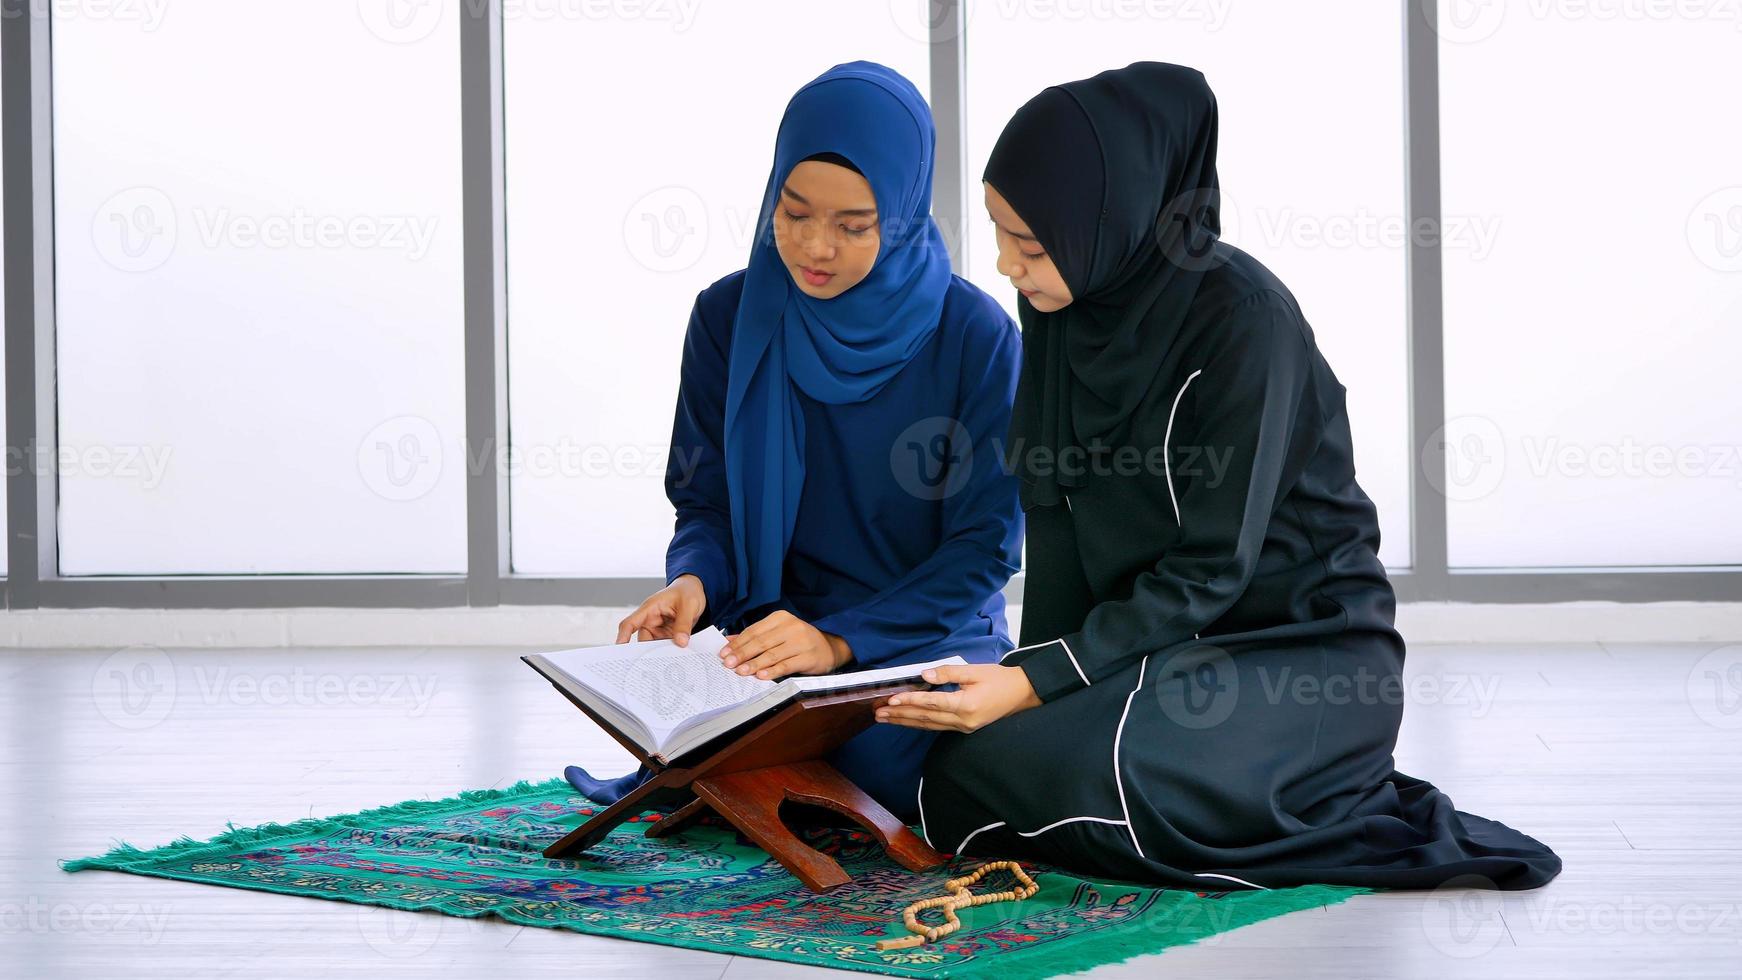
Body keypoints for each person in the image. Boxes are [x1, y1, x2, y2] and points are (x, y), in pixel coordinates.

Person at [877, 62, 1562, 890]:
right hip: (1151, 656)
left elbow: (1212, 570)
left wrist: (1039, 685)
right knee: (953, 768)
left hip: (1299, 653)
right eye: (999, 232)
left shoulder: (1246, 324)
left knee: (1116, 778)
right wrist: (1032, 683)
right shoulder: (1065, 301)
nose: (1004, 266)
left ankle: (1301, 776)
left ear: (1112, 218)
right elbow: (1050, 512)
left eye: (1028, 243)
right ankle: (1121, 771)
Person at [562, 61, 1023, 822]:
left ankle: (746, 781)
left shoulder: (977, 337)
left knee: (885, 755)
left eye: (853, 226)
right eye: (794, 210)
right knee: (726, 732)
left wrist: (839, 642)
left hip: (922, 638)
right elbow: (706, 502)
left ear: (903, 213)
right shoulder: (728, 316)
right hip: (771, 645)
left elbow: (984, 552)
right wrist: (694, 586)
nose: (814, 247)